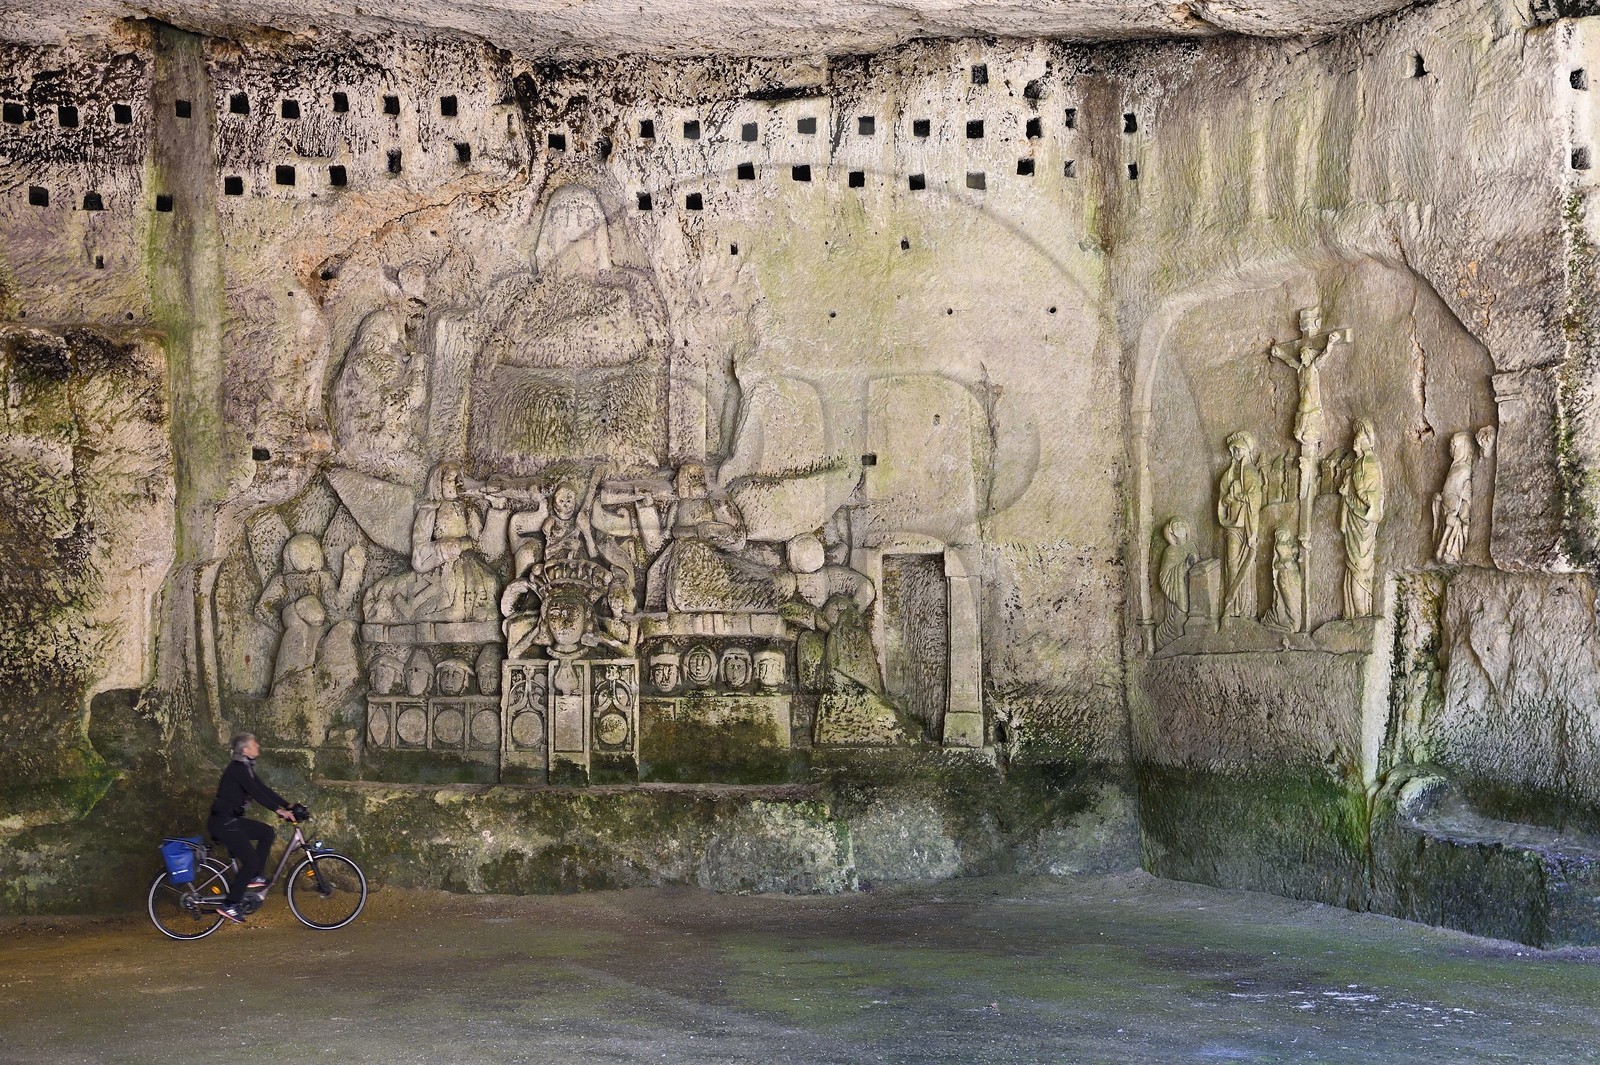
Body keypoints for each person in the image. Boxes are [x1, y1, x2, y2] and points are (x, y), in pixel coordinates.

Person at [208, 733, 297, 924]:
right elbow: (256, 794)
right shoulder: (238, 769)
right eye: (254, 744)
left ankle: (256, 875)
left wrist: (287, 805)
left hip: (229, 821)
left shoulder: (245, 767)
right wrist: (278, 810)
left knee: (266, 832)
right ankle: (230, 905)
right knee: (250, 860)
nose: (258, 745)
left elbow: (263, 789)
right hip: (223, 824)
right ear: (245, 750)